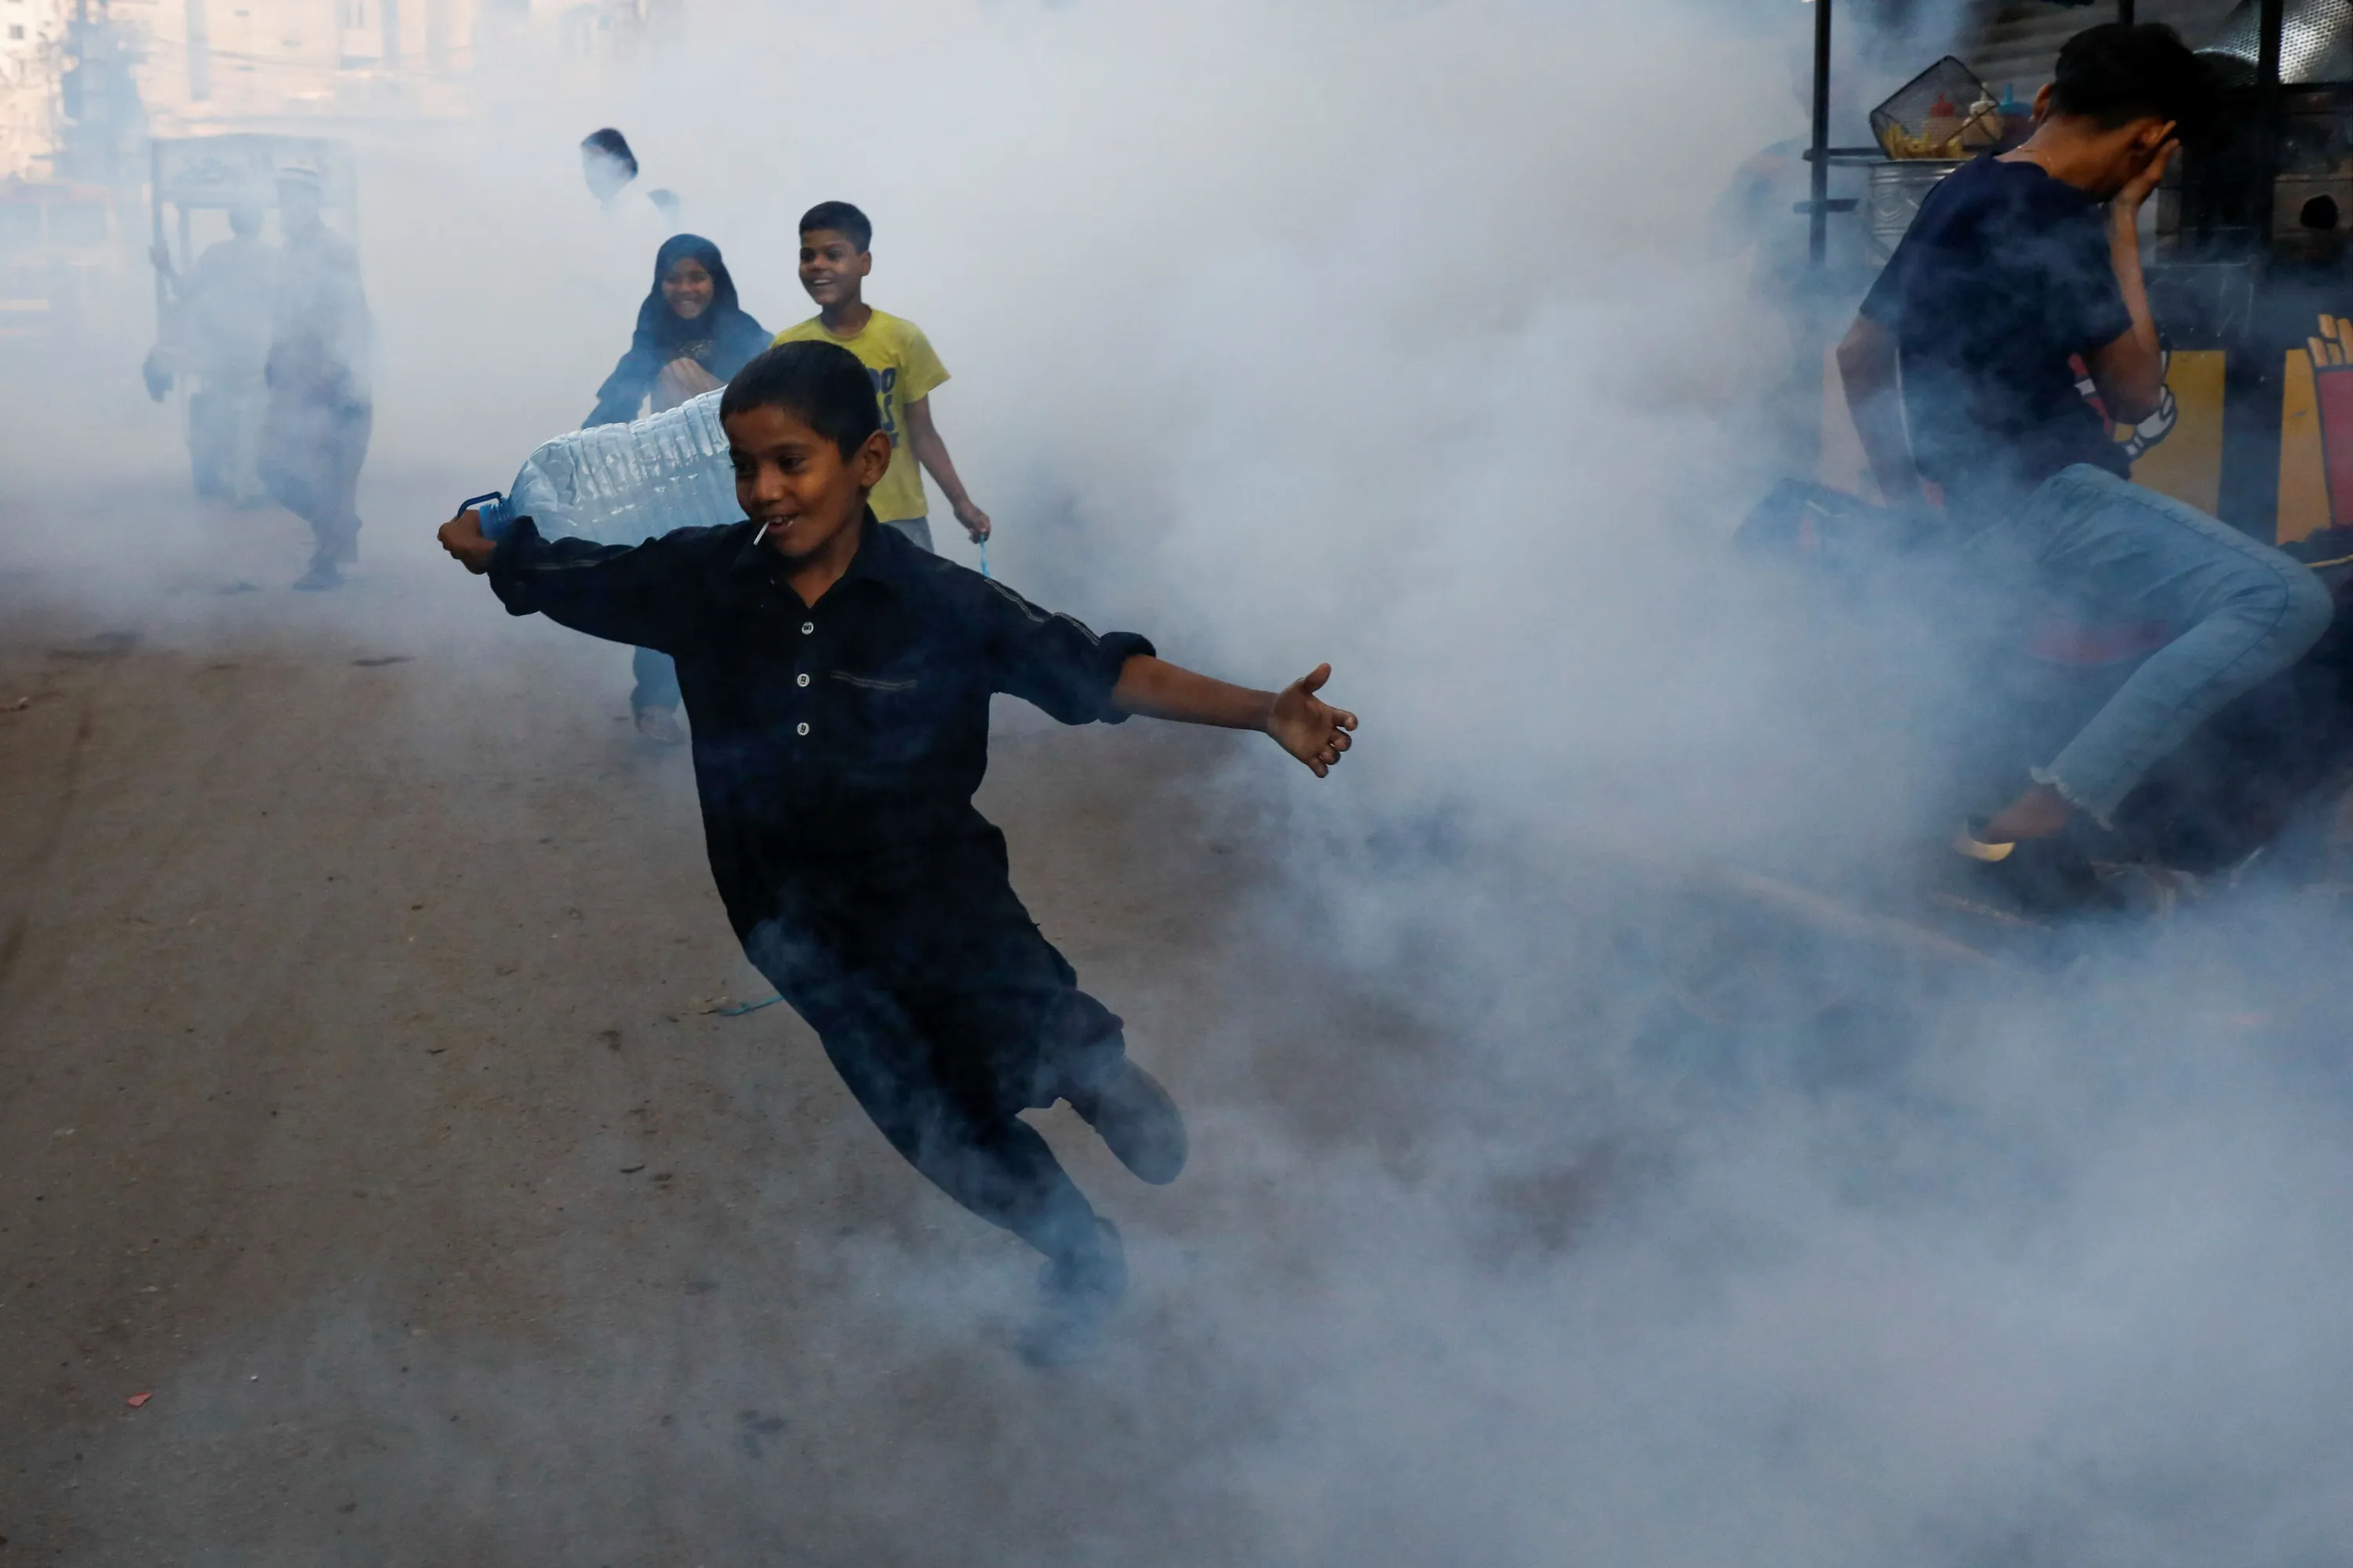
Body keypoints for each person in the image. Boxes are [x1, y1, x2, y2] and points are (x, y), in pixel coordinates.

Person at [436, 340, 1358, 1362]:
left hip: (947, 903)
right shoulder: (703, 580)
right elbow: (578, 574)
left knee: (1028, 1028)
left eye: (792, 462)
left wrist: (1262, 711)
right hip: (796, 929)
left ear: (868, 461)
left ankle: (1095, 1073)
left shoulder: (945, 605)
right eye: (745, 466)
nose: (764, 491)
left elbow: (1097, 672)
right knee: (933, 1125)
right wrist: (494, 550)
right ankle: (1078, 1253)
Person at [1836, 22, 2332, 894]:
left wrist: (1907, 502)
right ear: (2152, 140)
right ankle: (2032, 826)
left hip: (1985, 504)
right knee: (2283, 600)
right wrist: (2125, 223)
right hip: (2055, 497)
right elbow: (2137, 392)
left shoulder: (1966, 188)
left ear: (2049, 98)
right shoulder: (2057, 214)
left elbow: (1859, 354)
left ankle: (2058, 828)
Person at [586, 234, 773, 743]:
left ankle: (742, 706)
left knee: (744, 597)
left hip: (738, 487)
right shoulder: (654, 333)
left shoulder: (747, 335)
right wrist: (577, 459)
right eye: (673, 278)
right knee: (666, 591)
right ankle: (655, 703)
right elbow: (614, 407)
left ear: (716, 281)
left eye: (697, 277)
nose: (684, 288)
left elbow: (780, 400)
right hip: (672, 488)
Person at [772, 202, 991, 553]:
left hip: (899, 517)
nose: (818, 266)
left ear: (865, 263)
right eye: (807, 256)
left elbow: (922, 432)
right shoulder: (788, 347)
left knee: (910, 590)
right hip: (825, 516)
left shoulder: (902, 339)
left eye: (833, 255)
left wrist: (961, 503)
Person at [258, 165, 374, 592]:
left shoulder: (334, 250)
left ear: (313, 204)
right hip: (296, 379)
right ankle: (337, 528)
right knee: (271, 466)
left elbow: (352, 315)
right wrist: (273, 358)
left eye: (294, 200)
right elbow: (284, 314)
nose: (286, 209)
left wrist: (339, 373)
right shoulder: (288, 253)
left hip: (334, 380)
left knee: (331, 476)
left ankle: (327, 561)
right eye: (282, 200)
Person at [146, 206, 278, 505]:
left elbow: (184, 290)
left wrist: (166, 268)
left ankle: (233, 476)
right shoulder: (272, 257)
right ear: (260, 223)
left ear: (231, 223)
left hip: (219, 348)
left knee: (224, 408)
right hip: (256, 349)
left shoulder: (214, 255)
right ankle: (247, 485)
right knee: (252, 414)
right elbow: (290, 301)